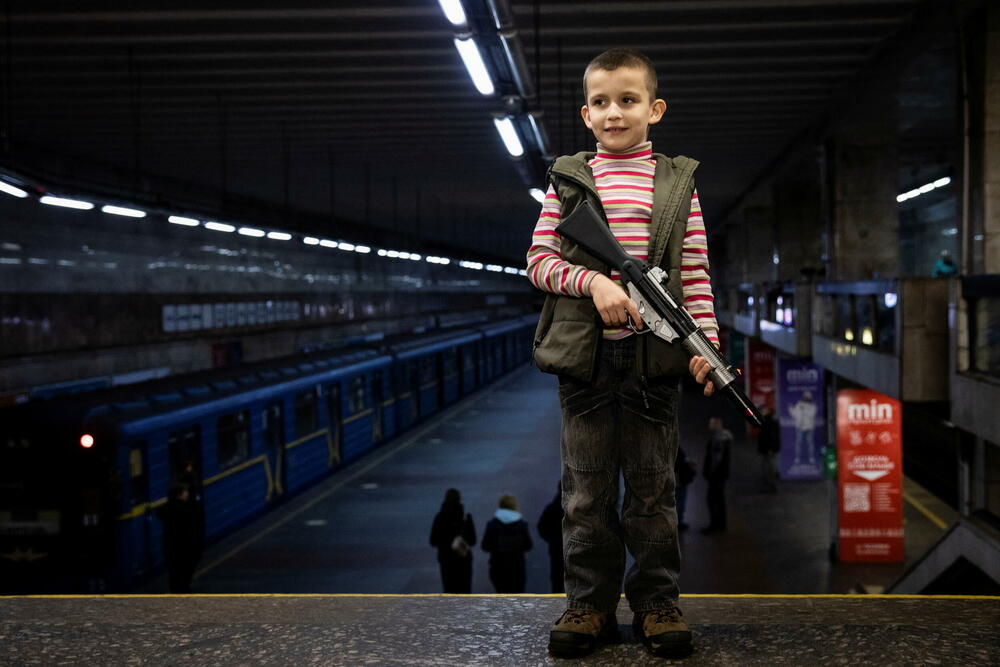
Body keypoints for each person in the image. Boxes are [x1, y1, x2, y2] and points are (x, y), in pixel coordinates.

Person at [526, 48, 720, 658]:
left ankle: (658, 605)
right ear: (586, 114)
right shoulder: (566, 179)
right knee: (584, 494)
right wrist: (598, 284)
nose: (615, 112)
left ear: (654, 109)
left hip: (652, 366)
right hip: (585, 363)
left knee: (652, 493)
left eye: (628, 100)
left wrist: (706, 347)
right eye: (602, 102)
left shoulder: (677, 184)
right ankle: (587, 606)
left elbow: (694, 274)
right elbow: (539, 263)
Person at [156, 483, 204, 593]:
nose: (187, 494)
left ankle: (175, 592)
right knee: (186, 572)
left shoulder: (166, 509)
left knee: (174, 573)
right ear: (179, 495)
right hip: (185, 547)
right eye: (184, 492)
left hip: (170, 547)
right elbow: (192, 530)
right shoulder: (186, 510)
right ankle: (184, 591)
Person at [481, 494, 533, 593]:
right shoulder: (522, 525)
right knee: (517, 598)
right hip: (517, 567)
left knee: (501, 597)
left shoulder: (492, 525)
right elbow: (528, 545)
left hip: (497, 567)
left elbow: (485, 546)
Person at [429, 488, 476, 594]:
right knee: (465, 591)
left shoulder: (439, 518)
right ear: (459, 499)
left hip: (446, 560)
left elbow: (433, 541)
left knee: (449, 591)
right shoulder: (466, 517)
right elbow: (473, 540)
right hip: (463, 559)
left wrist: (446, 541)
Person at [702, 418, 732, 533]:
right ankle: (721, 524)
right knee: (719, 499)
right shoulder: (725, 437)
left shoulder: (718, 439)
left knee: (712, 499)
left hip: (716, 475)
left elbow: (716, 458)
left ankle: (715, 525)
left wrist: (710, 472)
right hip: (722, 474)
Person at [536, 482, 565, 593]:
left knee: (557, 576)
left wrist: (551, 539)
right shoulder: (575, 508)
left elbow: (541, 527)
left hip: (556, 547)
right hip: (575, 546)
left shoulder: (552, 508)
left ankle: (558, 600)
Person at [788, 390, 818, 466]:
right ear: (803, 397)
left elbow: (811, 415)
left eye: (808, 397)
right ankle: (797, 458)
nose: (807, 398)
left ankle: (811, 458)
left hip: (809, 428)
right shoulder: (799, 404)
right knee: (798, 444)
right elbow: (795, 415)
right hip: (799, 427)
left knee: (810, 444)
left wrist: (804, 409)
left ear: (810, 398)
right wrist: (790, 408)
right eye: (805, 397)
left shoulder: (813, 406)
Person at [756, 405, 780, 492]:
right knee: (767, 467)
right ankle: (769, 485)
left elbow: (772, 436)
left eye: (762, 410)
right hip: (767, 449)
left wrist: (771, 449)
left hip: (769, 449)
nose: (760, 412)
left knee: (769, 468)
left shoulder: (769, 421)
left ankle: (771, 486)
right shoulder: (766, 420)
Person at [675, 447, 696, 530]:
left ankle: (678, 521)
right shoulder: (677, 450)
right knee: (680, 502)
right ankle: (678, 522)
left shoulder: (672, 449)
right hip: (680, 480)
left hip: (678, 480)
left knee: (678, 501)